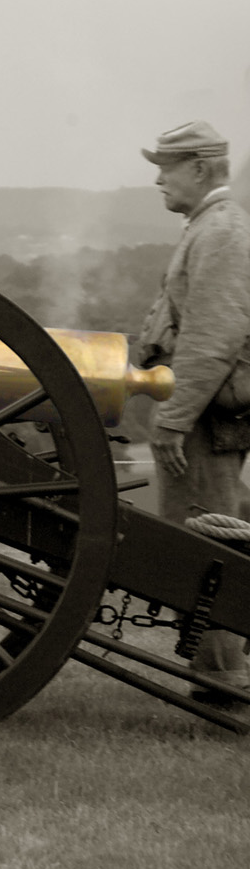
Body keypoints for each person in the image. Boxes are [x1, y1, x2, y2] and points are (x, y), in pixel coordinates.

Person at [134, 121, 250, 707]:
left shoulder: (222, 231)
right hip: (199, 409)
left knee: (206, 546)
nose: (159, 179)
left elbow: (212, 338)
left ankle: (223, 681)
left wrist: (175, 418)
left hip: (203, 417)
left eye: (167, 167)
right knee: (205, 536)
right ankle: (219, 673)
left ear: (200, 168)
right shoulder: (209, 227)